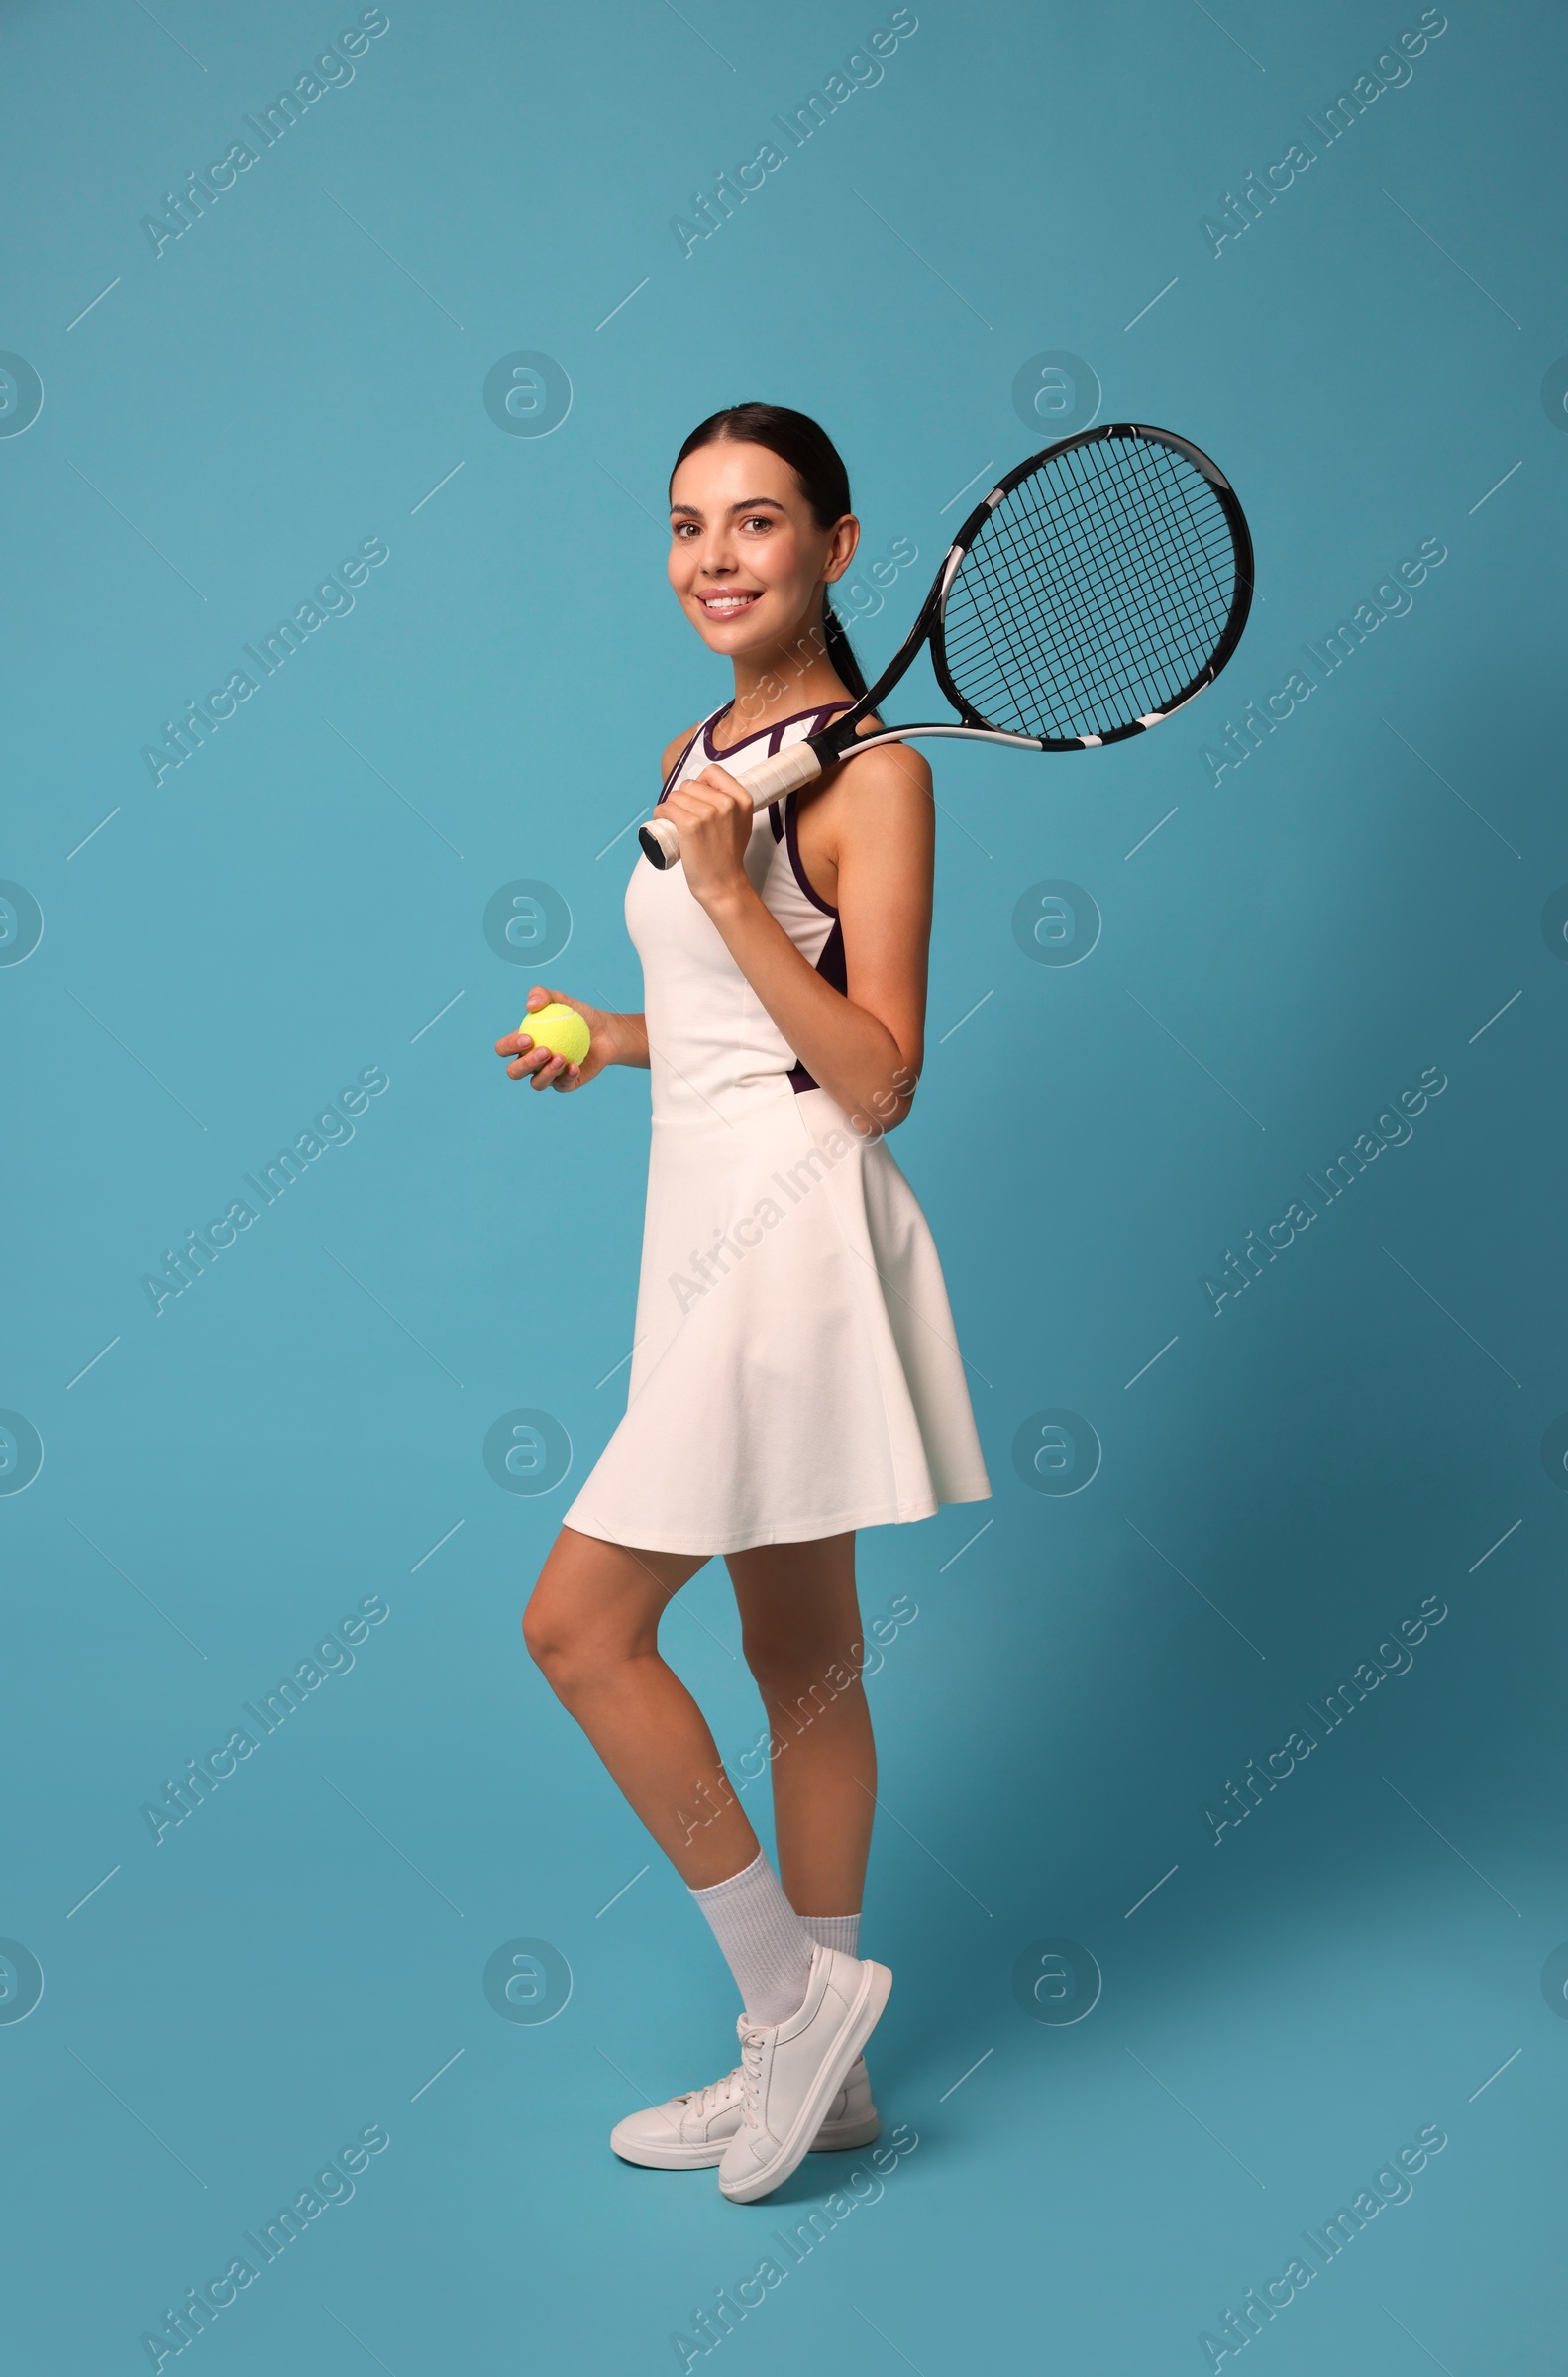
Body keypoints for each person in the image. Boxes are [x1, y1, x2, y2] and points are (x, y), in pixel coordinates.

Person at [496, 403, 990, 2204]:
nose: (717, 557)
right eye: (690, 523)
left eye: (759, 523)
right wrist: (604, 1035)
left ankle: (793, 2009)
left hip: (789, 1244)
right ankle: (830, 2088)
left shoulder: (877, 779)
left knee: (579, 1632)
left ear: (837, 549)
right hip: (697, 1225)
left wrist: (727, 885)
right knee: (804, 1655)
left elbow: (874, 1076)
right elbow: (722, 1034)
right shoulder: (701, 741)